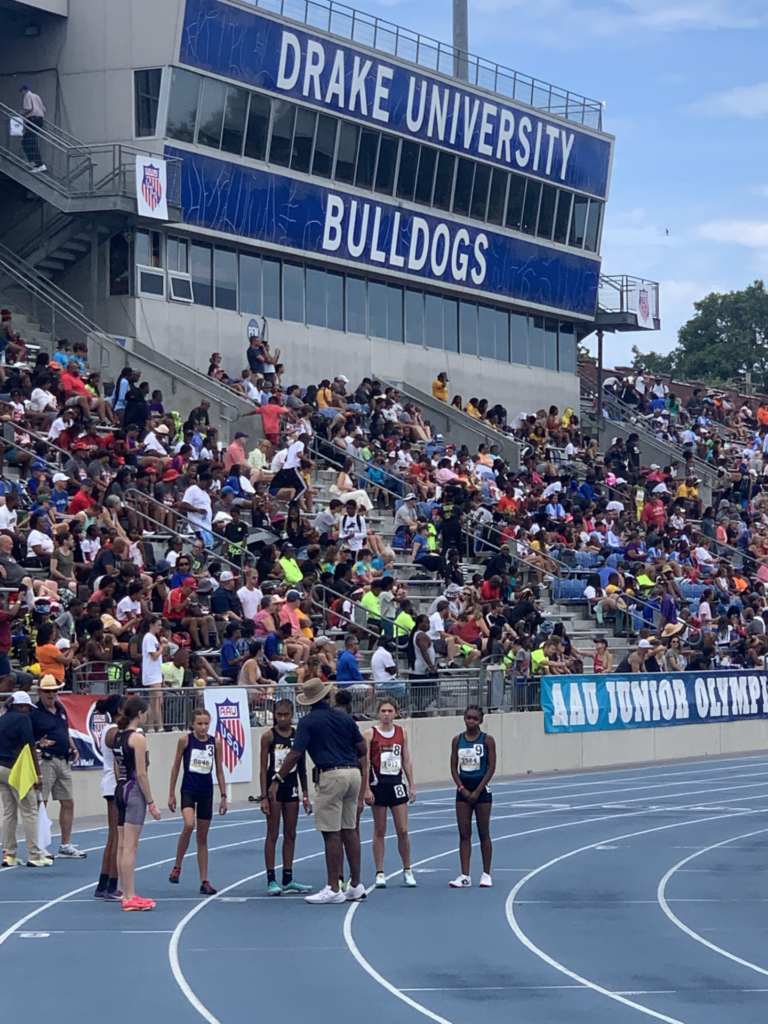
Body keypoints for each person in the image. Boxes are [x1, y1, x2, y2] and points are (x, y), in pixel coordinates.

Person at [269, 677, 367, 904]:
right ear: (326, 695)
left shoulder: (308, 722)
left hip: (331, 775)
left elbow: (295, 754)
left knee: (331, 832)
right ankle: (356, 884)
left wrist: (277, 778)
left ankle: (333, 888)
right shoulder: (344, 717)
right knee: (349, 829)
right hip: (354, 773)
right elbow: (362, 747)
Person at [106, 696, 163, 911]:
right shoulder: (137, 739)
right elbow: (141, 773)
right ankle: (129, 896)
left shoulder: (118, 736)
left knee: (122, 845)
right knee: (130, 846)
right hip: (133, 792)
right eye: (145, 713)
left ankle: (126, 892)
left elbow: (117, 768)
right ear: (139, 714)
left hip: (120, 788)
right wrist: (151, 802)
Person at [168, 708, 227, 895]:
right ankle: (177, 865)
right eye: (199, 723)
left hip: (206, 792)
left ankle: (204, 880)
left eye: (206, 724)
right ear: (192, 724)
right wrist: (171, 793)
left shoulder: (215, 743)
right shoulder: (185, 741)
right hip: (189, 790)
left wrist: (224, 796)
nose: (203, 727)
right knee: (188, 825)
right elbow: (176, 767)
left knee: (202, 838)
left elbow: (219, 770)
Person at [258, 699, 313, 895]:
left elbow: (302, 767)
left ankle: (288, 877)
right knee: (272, 833)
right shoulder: (268, 737)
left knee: (291, 833)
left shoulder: (298, 737)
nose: (282, 719)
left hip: (292, 788)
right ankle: (271, 879)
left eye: (286, 715)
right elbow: (263, 769)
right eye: (279, 715)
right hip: (274, 790)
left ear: (292, 715)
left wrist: (306, 793)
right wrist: (263, 795)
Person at [363, 699, 416, 888]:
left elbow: (406, 759)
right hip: (378, 784)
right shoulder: (370, 734)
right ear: (378, 713)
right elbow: (366, 763)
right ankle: (379, 872)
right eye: (383, 711)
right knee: (380, 829)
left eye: (390, 711)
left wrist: (411, 785)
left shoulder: (402, 733)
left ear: (396, 713)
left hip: (396, 783)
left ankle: (407, 869)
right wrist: (367, 788)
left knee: (402, 829)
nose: (386, 714)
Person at [33, 674, 87, 858]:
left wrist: (72, 747)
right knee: (42, 803)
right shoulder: (34, 712)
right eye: (47, 691)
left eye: (54, 691)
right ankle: (39, 845)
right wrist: (38, 744)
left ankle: (65, 844)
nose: (51, 694)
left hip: (63, 760)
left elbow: (65, 731)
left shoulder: (60, 708)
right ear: (40, 692)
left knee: (68, 802)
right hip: (45, 760)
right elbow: (27, 739)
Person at [449, 705, 496, 888]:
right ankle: (465, 875)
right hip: (463, 790)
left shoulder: (487, 740)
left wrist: (477, 791)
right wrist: (462, 788)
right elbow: (453, 766)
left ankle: (486, 873)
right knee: (464, 833)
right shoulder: (457, 740)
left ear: (481, 720)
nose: (471, 721)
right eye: (468, 717)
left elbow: (491, 766)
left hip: (481, 789)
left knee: (484, 833)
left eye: (474, 719)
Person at [0, 692, 47, 867]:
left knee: (8, 812)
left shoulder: (2, 718)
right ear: (20, 706)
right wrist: (38, 775)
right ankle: (34, 855)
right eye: (27, 707)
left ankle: (9, 854)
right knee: (29, 811)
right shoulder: (23, 719)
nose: (28, 711)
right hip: (15, 769)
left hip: (0, 768)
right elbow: (30, 747)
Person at [93, 694, 123, 901]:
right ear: (119, 710)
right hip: (114, 785)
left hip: (112, 784)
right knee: (116, 837)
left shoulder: (111, 730)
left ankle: (104, 884)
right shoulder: (113, 731)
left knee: (114, 836)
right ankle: (110, 885)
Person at [141, 615, 168, 732]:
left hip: (155, 672)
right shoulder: (149, 638)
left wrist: (163, 646)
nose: (160, 627)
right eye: (158, 625)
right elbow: (154, 655)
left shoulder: (154, 638)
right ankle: (159, 725)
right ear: (151, 625)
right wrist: (162, 647)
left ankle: (151, 726)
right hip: (152, 673)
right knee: (157, 699)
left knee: (155, 700)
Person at [19, 84, 46, 171]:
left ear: (24, 91)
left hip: (32, 119)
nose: (22, 94)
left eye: (22, 92)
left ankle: (38, 163)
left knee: (29, 142)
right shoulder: (36, 96)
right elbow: (43, 109)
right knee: (30, 140)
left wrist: (21, 113)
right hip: (39, 120)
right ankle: (34, 162)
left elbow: (28, 108)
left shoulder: (27, 96)